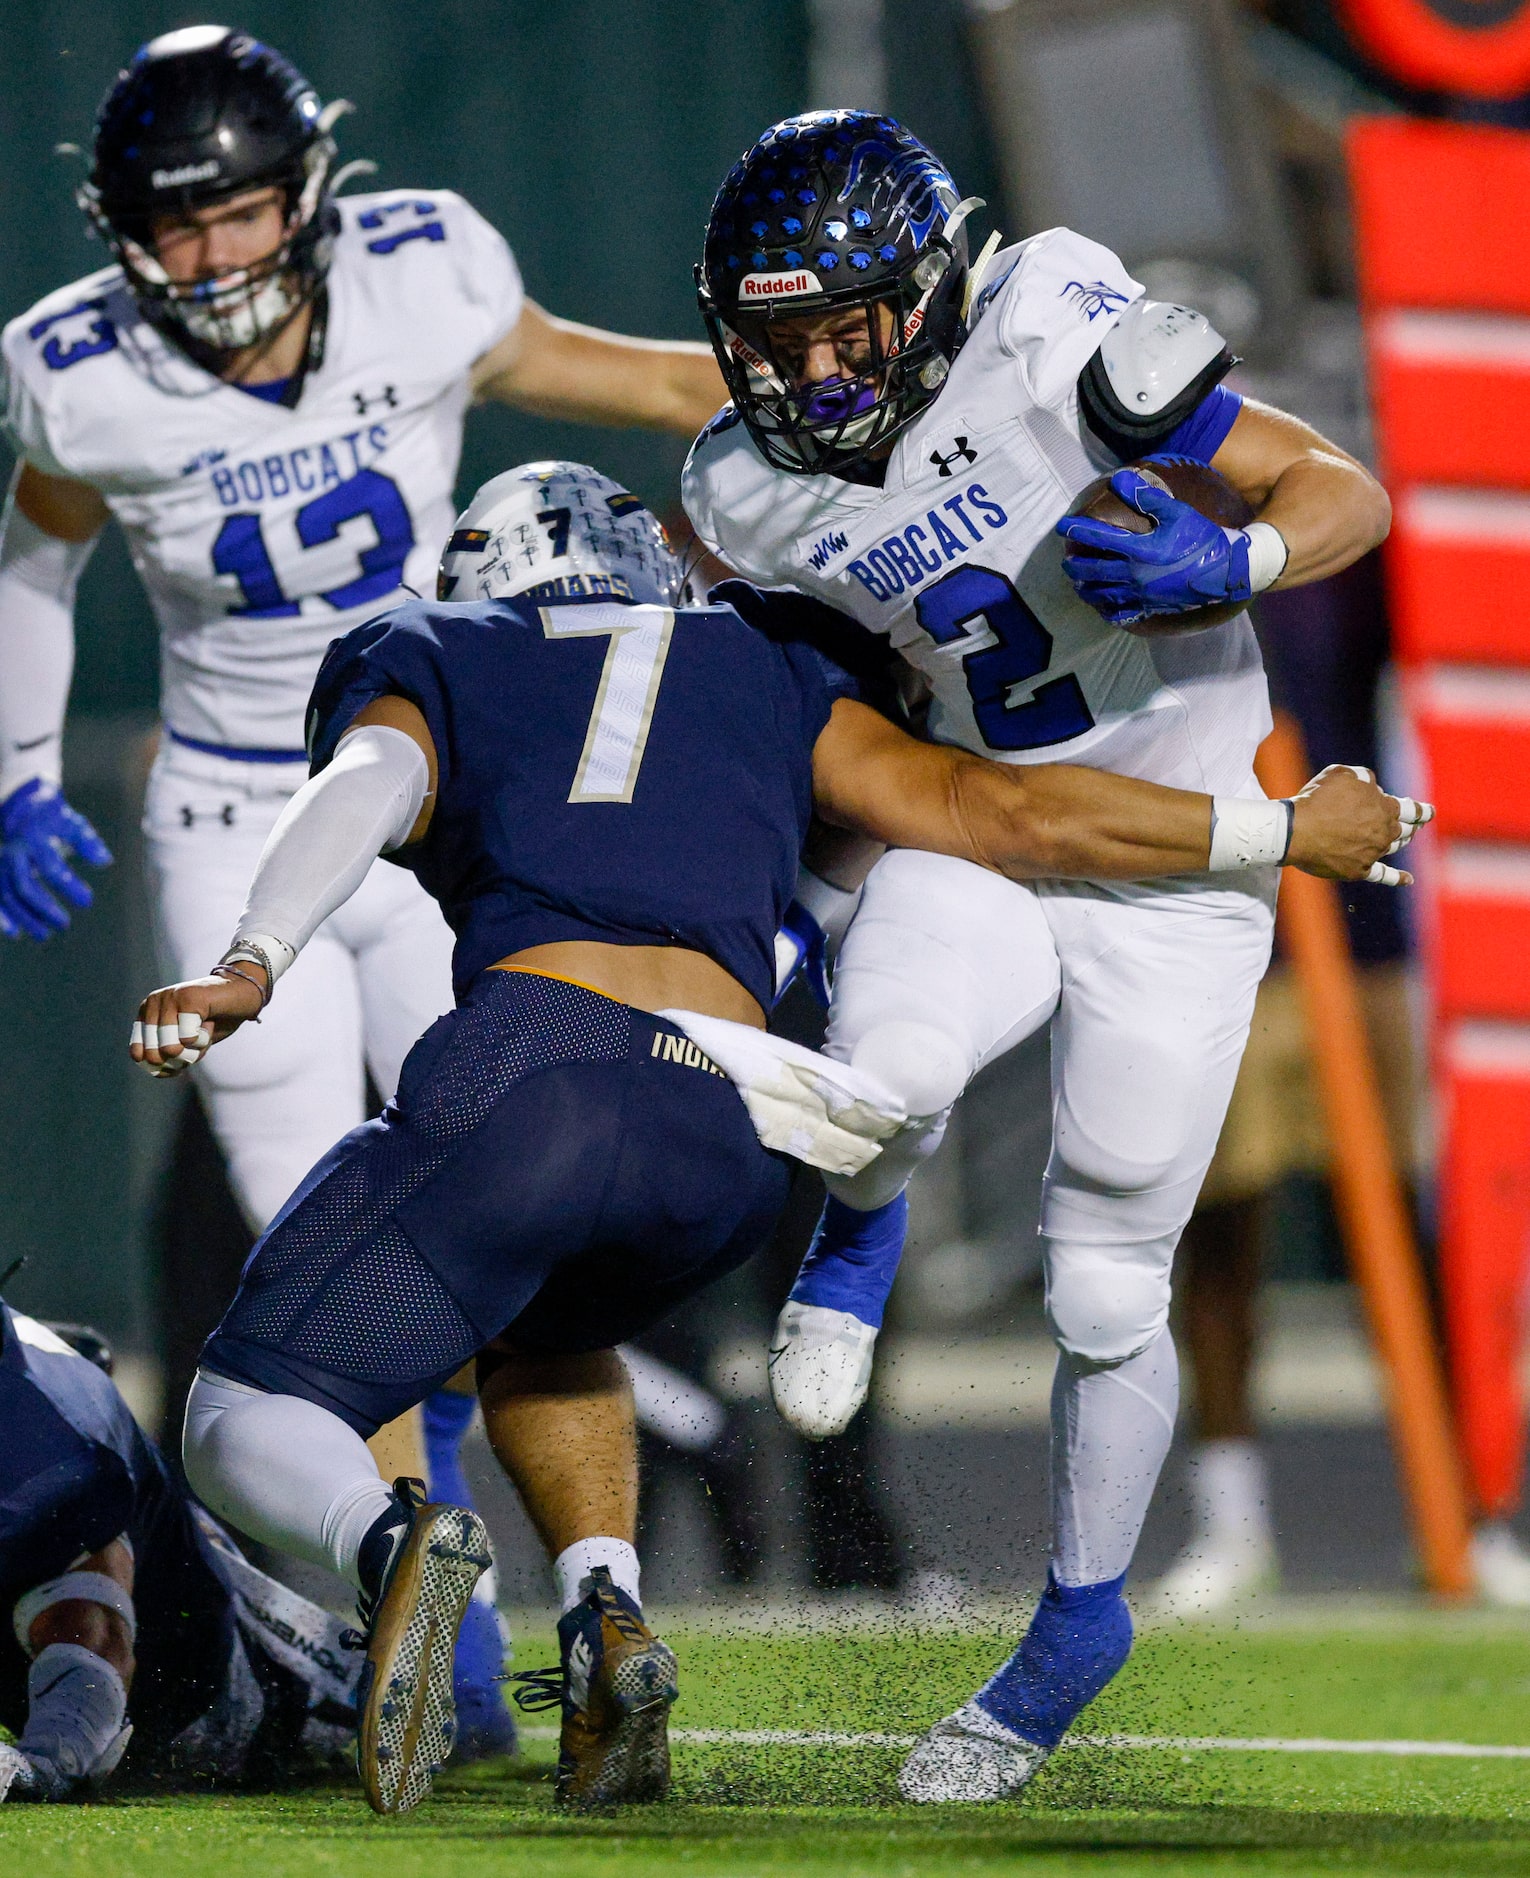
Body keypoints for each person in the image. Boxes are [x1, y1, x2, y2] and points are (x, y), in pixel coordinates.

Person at [128, 461, 1403, 1816]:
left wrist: (255, 955)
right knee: (546, 1332)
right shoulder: (771, 663)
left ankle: (395, 1544)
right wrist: (1271, 826)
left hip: (537, 1062)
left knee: (243, 1400)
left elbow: (368, 784)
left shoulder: (443, 646)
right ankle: (605, 1604)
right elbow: (1003, 813)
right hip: (733, 1128)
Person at [682, 110, 1426, 1803]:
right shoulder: (745, 481)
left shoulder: (1049, 330)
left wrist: (1228, 553)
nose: (808, 364)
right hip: (997, 825)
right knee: (884, 1073)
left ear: (935, 290)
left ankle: (1072, 1629)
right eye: (773, 333)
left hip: (1178, 869)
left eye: (842, 321)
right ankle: (853, 1249)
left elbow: (1344, 491)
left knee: (1103, 1279)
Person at [0, 25, 725, 1747]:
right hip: (234, 828)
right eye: (178, 229)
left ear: (311, 193)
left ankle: (594, 1593)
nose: (215, 258)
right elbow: (37, 551)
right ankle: (458, 1657)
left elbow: (660, 383)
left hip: (433, 811)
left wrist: (881, 437)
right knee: (337, 1240)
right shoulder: (77, 373)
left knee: (513, 1221)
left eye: (242, 213)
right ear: (117, 234)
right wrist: (17, 776)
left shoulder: (430, 282)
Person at [0, 1303, 359, 1803]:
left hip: (196, 1697)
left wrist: (47, 1755)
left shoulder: (40, 1457)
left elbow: (89, 1633)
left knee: (300, 1724)